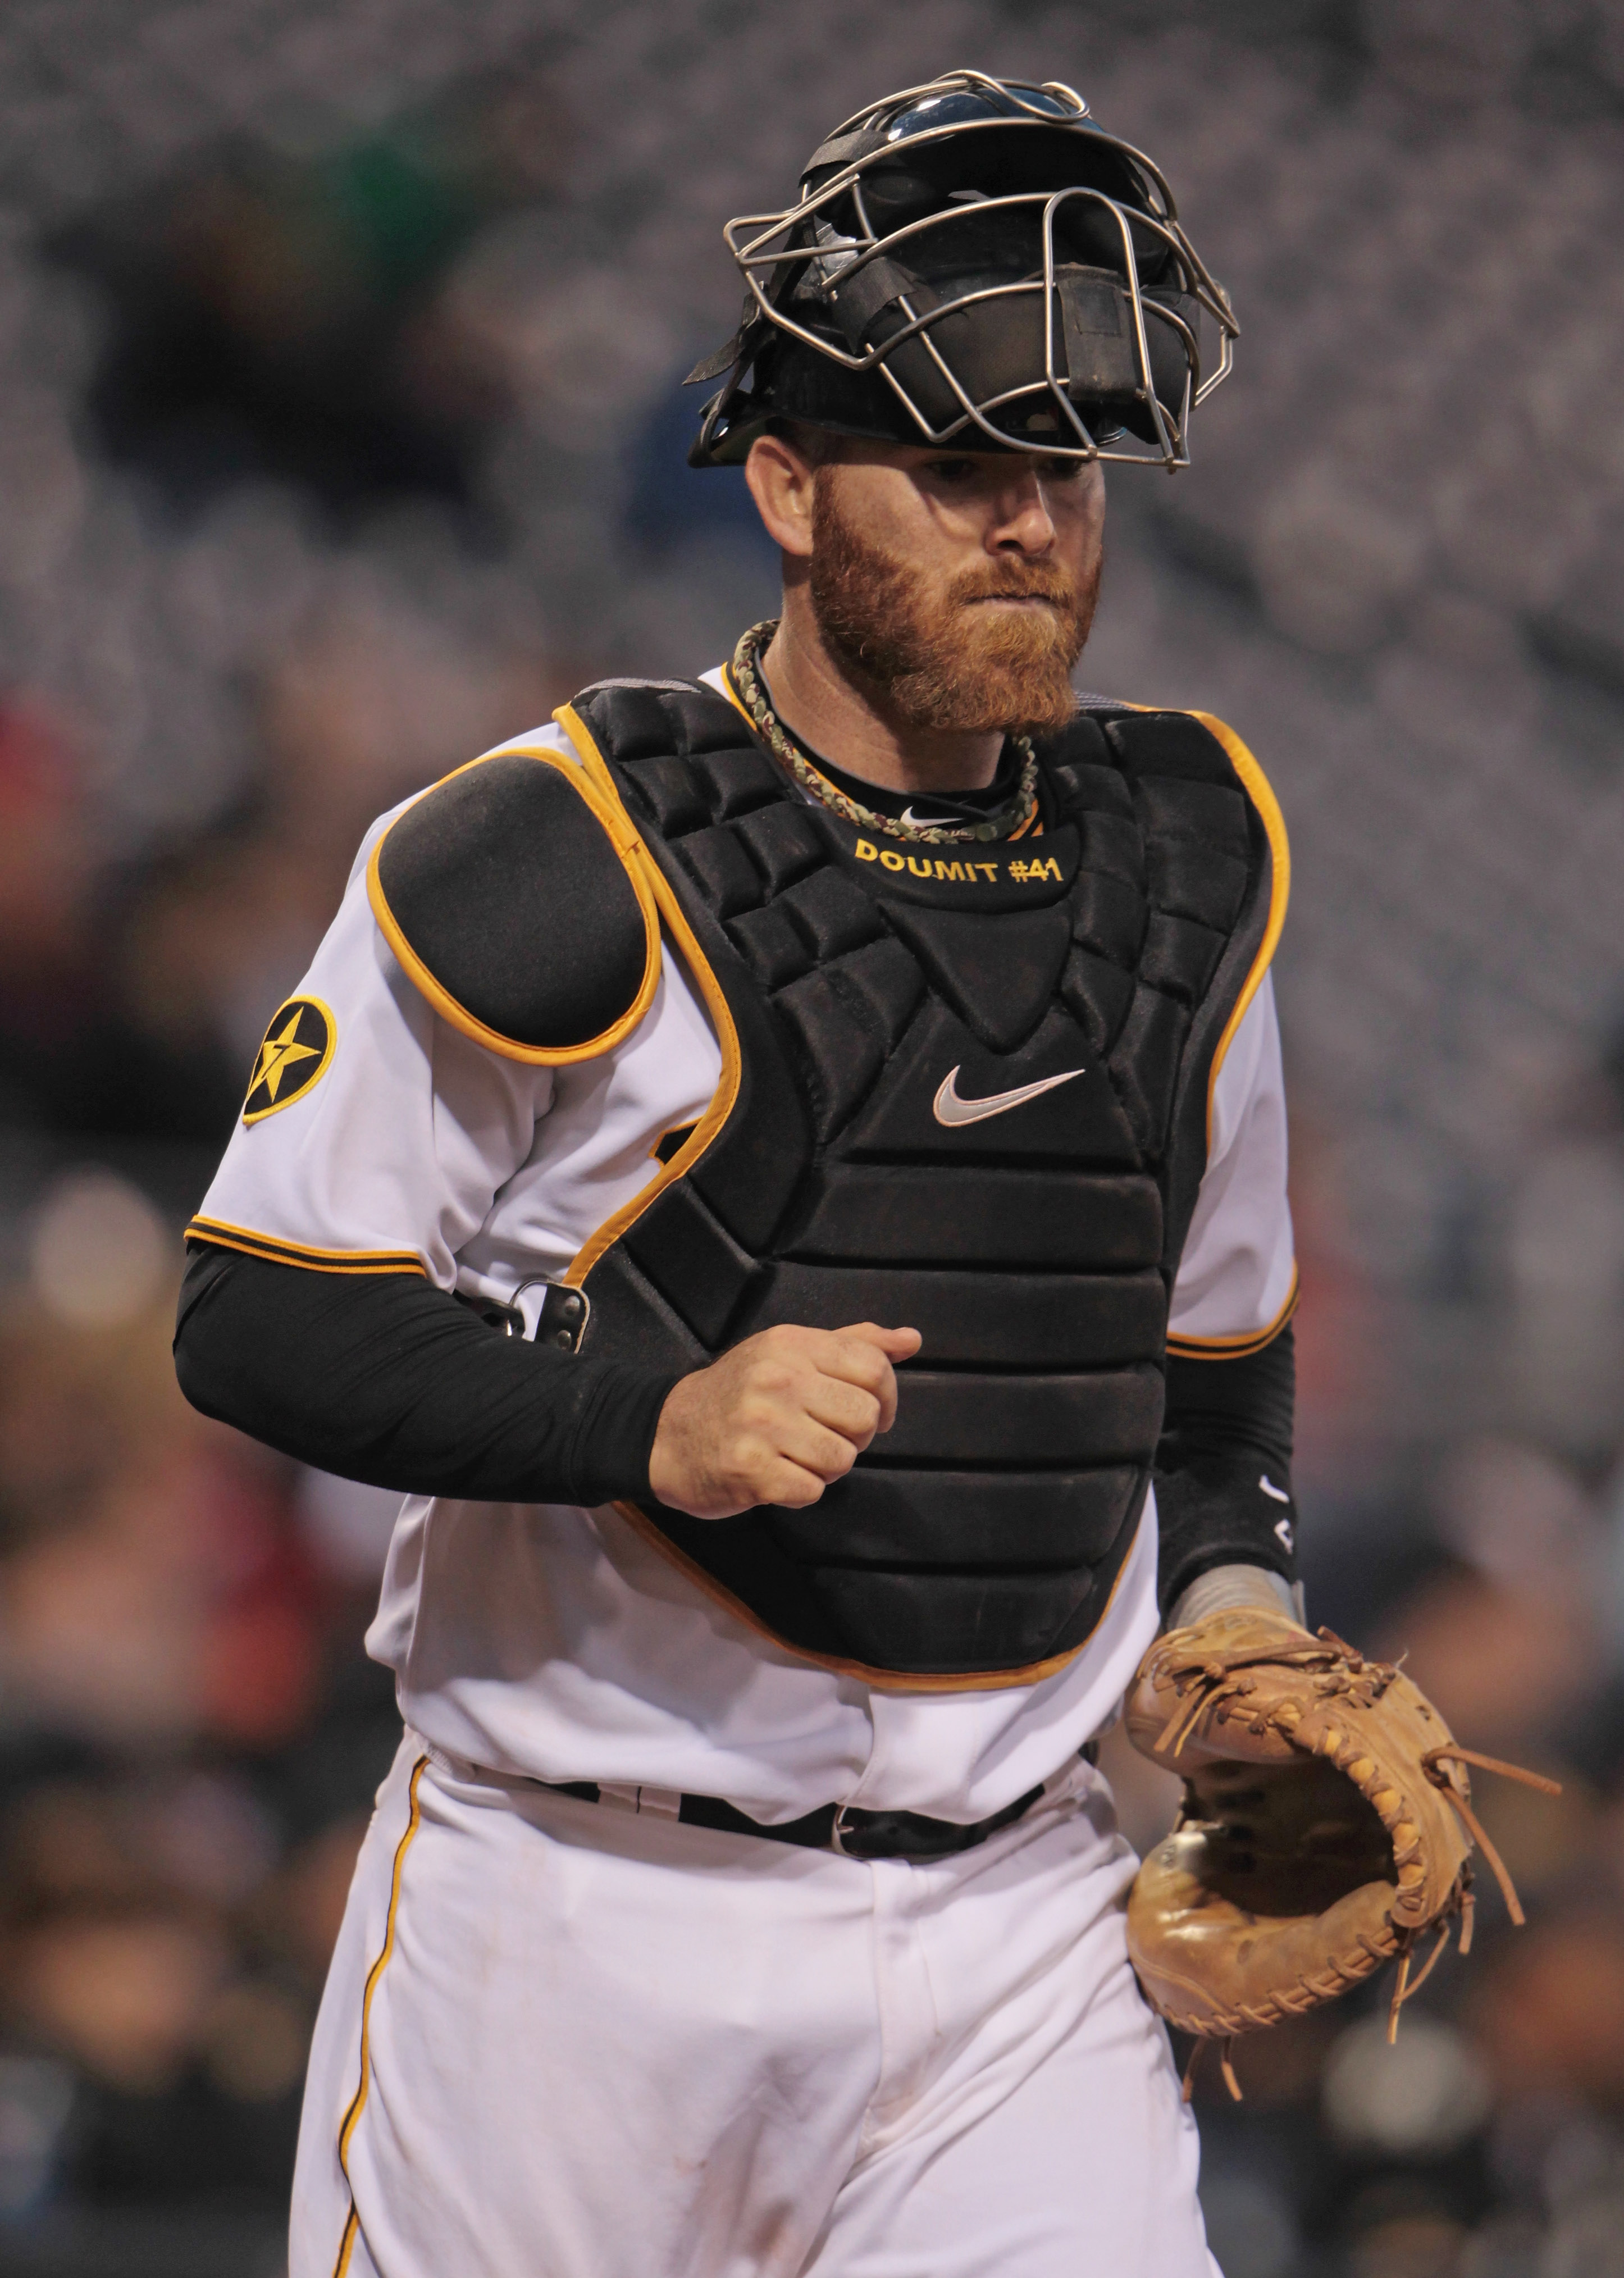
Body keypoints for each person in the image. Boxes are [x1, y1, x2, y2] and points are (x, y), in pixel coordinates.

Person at [176, 71, 1299, 2278]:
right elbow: (260, 1310)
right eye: (957, 461)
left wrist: (1246, 1617)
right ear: (785, 480)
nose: (1029, 527)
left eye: (1063, 468)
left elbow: (1215, 1381)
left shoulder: (1194, 861)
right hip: (577, 1924)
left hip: (1015, 1939)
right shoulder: (549, 846)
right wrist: (651, 1422)